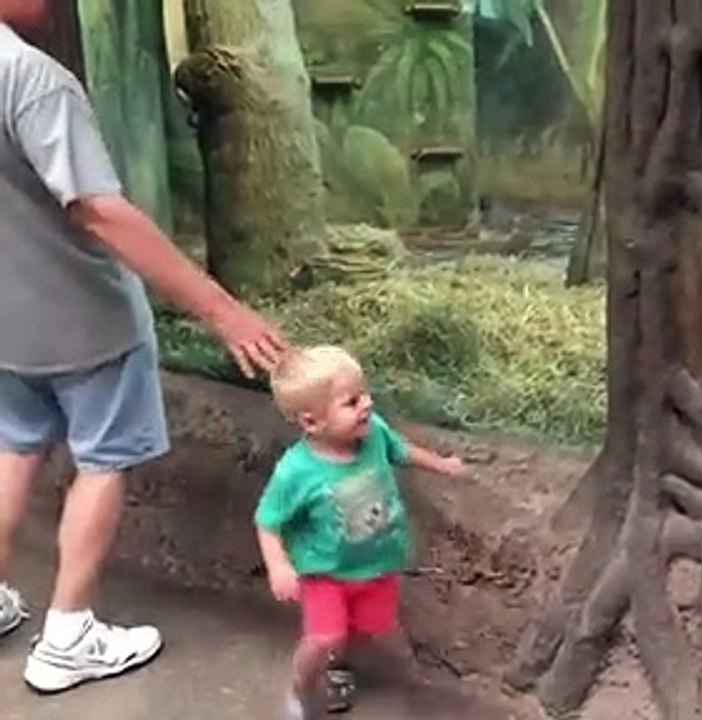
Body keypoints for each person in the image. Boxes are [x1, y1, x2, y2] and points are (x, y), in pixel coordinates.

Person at [0, 2, 288, 695]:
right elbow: (97, 208)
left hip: (7, 316)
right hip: (85, 313)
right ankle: (69, 634)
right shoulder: (30, 78)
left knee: (12, 446)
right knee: (102, 460)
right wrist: (221, 309)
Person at [255, 345, 468, 718]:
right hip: (325, 572)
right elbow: (267, 520)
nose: (367, 405)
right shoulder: (296, 472)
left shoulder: (374, 434)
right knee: (324, 636)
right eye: (351, 402)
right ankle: (301, 688)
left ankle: (338, 669)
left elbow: (401, 451)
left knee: (365, 629)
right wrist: (279, 566)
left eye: (364, 394)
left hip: (377, 563)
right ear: (311, 422)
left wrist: (443, 465)